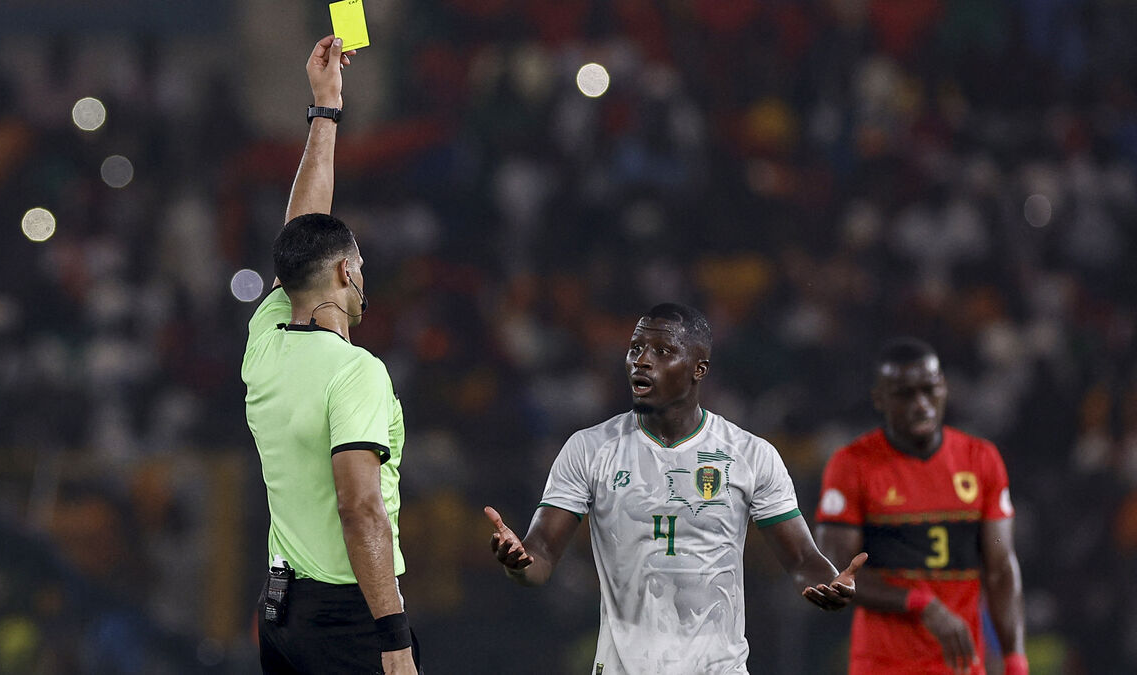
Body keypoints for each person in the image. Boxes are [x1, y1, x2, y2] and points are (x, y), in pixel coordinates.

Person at [485, 303, 867, 674]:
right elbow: (542, 554)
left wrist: (829, 583)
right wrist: (518, 562)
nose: (642, 360)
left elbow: (801, 559)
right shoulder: (589, 449)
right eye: (635, 348)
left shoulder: (750, 455)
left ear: (699, 368)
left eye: (662, 351)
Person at [243, 36, 419, 675]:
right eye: (361, 266)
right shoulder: (356, 373)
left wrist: (326, 110)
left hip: (280, 614)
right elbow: (360, 506)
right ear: (347, 271)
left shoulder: (264, 342)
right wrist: (393, 637)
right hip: (349, 619)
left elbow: (302, 232)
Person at [815, 338, 1027, 675]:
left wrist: (1015, 660)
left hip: (961, 666)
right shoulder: (852, 465)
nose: (921, 404)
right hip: (884, 665)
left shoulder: (981, 460)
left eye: (930, 390)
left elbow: (1001, 568)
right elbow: (836, 571)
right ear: (879, 399)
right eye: (905, 394)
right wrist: (920, 604)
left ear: (944, 388)